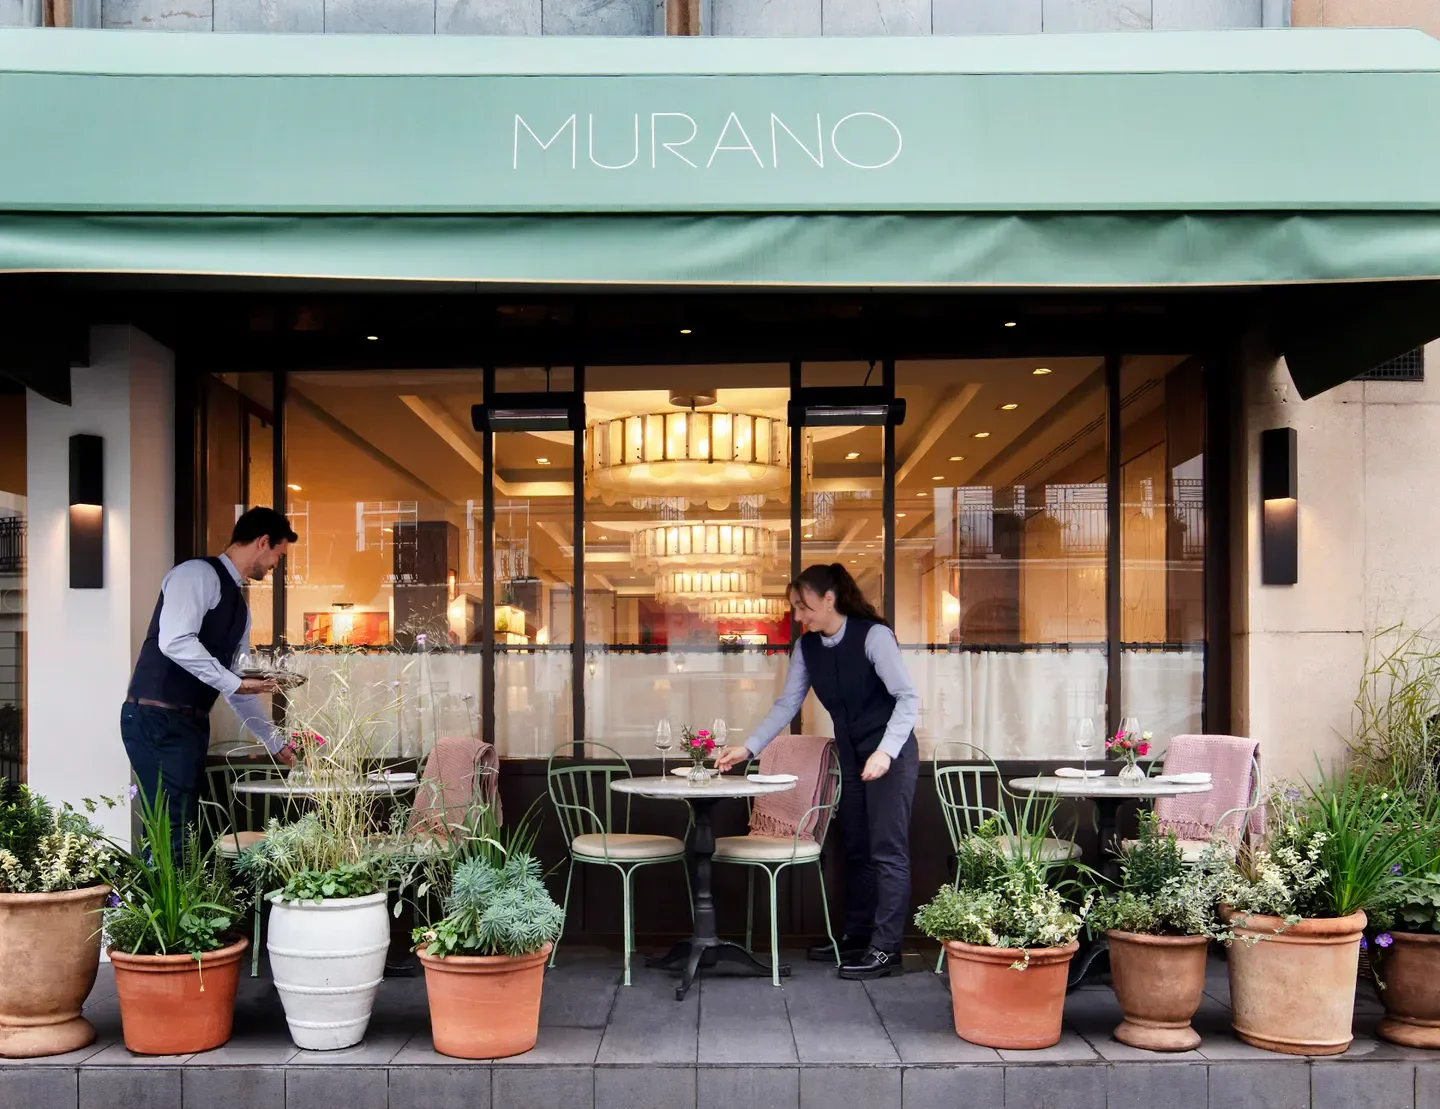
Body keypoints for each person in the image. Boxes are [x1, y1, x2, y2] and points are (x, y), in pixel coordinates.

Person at [715, 562, 920, 980]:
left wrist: (884, 753)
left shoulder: (873, 636)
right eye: (794, 607)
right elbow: (787, 704)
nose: (798, 616)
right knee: (856, 848)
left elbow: (907, 698)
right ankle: (857, 936)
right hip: (851, 755)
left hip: (889, 756)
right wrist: (748, 747)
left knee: (887, 851)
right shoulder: (808, 647)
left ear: (829, 599)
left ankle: (887, 949)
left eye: (802, 605)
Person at [120, 507, 298, 857]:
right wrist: (233, 681)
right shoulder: (195, 575)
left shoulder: (240, 607)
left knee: (186, 827)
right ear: (263, 542)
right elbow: (175, 641)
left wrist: (273, 742)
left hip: (189, 723)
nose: (278, 564)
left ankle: (178, 908)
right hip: (156, 719)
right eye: (279, 554)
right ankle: (158, 909)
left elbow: (237, 683)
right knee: (173, 828)